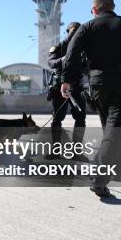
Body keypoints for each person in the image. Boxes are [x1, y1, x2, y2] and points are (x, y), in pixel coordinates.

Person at [61, 0, 121, 198]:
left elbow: (71, 55)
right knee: (114, 132)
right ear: (112, 7)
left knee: (112, 130)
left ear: (95, 9)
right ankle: (99, 179)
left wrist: (66, 81)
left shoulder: (87, 27)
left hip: (99, 86)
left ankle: (115, 169)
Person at [47, 21, 87, 160]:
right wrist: (66, 58)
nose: (75, 33)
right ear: (67, 32)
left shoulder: (83, 47)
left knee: (81, 118)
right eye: (73, 31)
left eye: (78, 31)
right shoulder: (58, 47)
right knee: (57, 119)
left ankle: (76, 152)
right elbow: (51, 62)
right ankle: (56, 151)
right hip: (60, 88)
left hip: (76, 88)